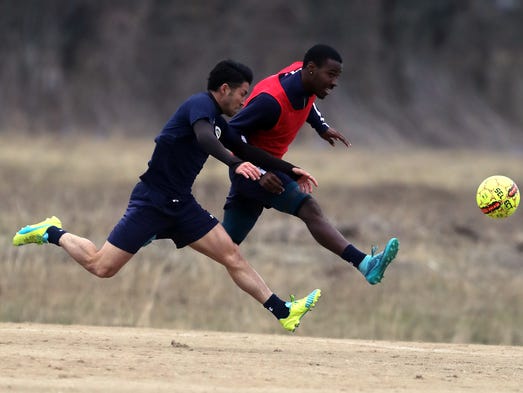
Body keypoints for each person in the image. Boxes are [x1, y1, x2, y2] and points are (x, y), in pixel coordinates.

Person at [12, 60, 321, 332]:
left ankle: (284, 313)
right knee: (101, 266)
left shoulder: (218, 122)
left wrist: (291, 170)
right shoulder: (199, 106)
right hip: (152, 201)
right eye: (243, 93)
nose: (245, 100)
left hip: (182, 205)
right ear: (224, 89)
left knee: (232, 256)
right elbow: (203, 138)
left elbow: (247, 148)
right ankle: (52, 232)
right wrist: (235, 164)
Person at [222, 45, 399, 285]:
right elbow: (231, 134)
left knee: (224, 244)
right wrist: (261, 172)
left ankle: (159, 227)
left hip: (267, 168)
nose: (335, 83)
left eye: (337, 76)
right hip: (254, 170)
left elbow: (308, 101)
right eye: (331, 75)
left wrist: (321, 127)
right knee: (309, 209)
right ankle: (366, 263)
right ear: (312, 69)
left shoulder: (303, 76)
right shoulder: (270, 102)